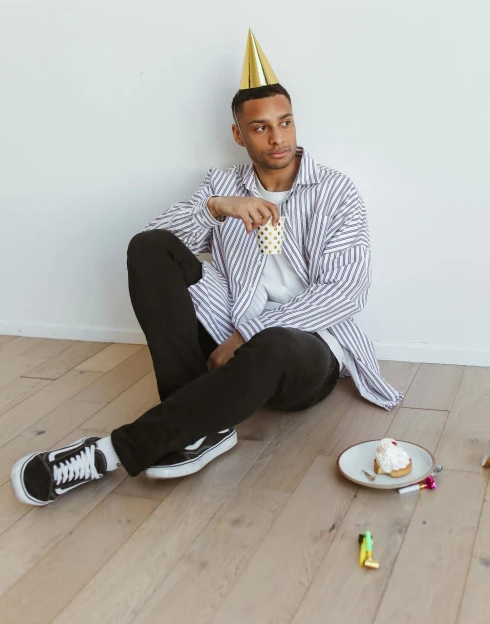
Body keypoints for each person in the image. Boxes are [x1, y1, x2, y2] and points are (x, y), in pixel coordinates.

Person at [10, 30, 403, 506]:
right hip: (228, 323)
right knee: (150, 246)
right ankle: (199, 426)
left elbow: (345, 293)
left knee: (274, 345)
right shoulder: (223, 185)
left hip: (304, 348)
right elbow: (158, 240)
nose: (277, 137)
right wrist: (216, 208)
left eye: (286, 122)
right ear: (239, 134)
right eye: (260, 127)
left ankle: (113, 451)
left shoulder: (337, 193)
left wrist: (250, 334)